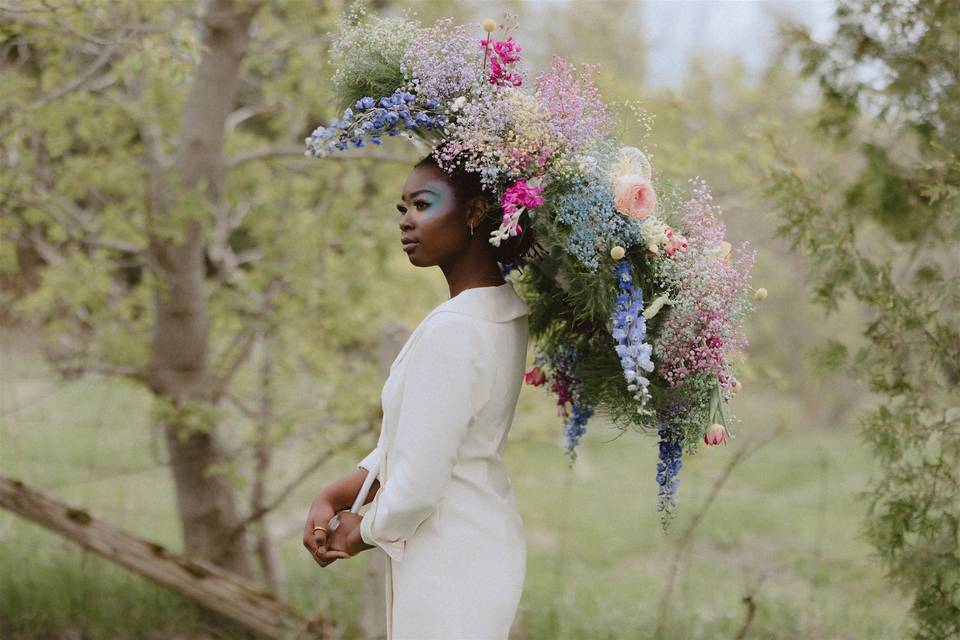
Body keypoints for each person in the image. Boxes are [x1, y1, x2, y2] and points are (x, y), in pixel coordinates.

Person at [303, 151, 536, 639]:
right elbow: (426, 435)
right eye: (402, 209)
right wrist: (341, 490)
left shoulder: (453, 330)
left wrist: (361, 531)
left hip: (447, 557)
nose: (406, 221)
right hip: (481, 540)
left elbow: (420, 481)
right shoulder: (503, 310)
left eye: (422, 205)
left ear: (474, 213)